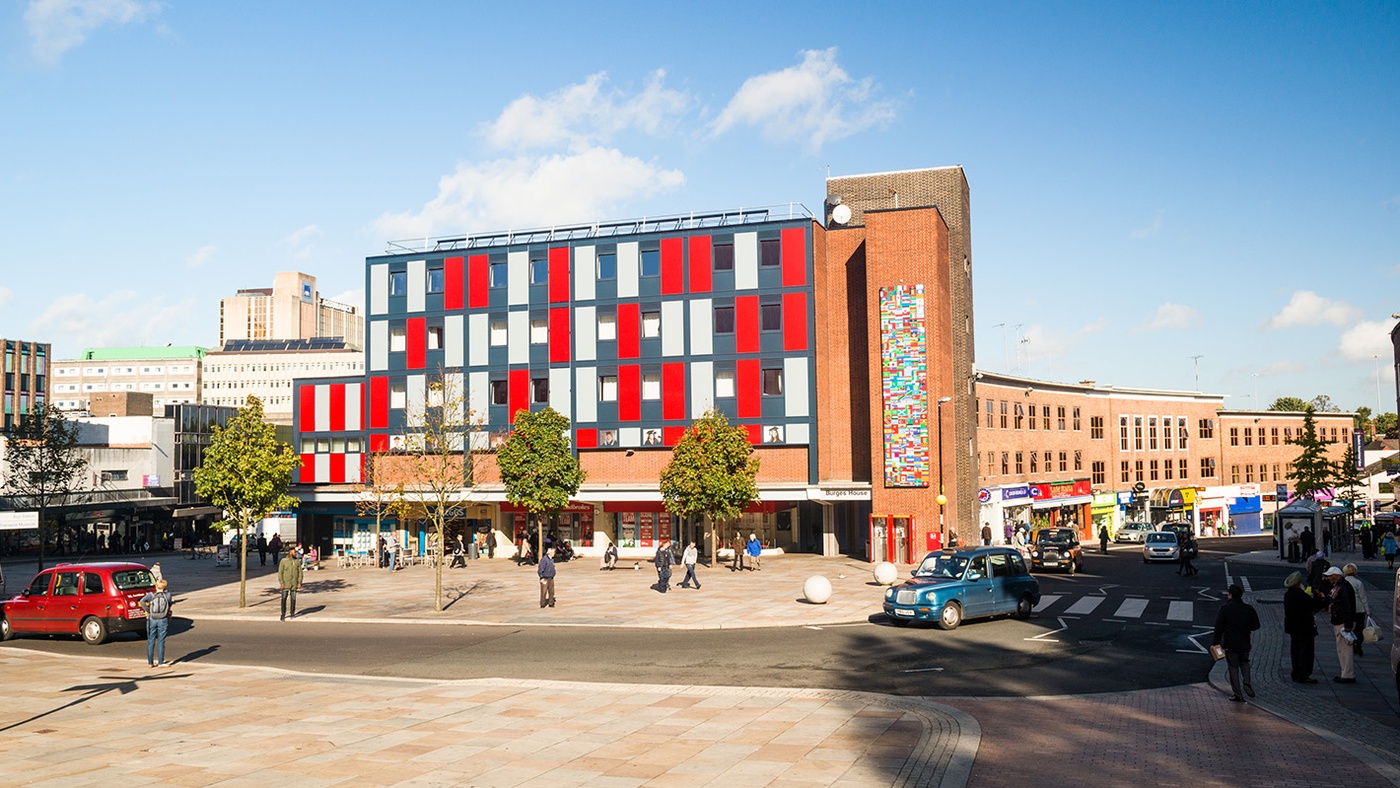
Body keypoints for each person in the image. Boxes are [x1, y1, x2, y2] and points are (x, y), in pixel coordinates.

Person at [1212, 583, 1260, 702]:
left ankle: (1238, 694)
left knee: (1233, 668)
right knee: (1245, 662)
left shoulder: (1225, 609)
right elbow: (1256, 625)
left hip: (1231, 643)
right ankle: (1247, 683)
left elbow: (1219, 628)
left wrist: (1215, 643)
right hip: (1245, 642)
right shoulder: (1249, 609)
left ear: (1231, 595)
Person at [1282, 571, 1319, 683]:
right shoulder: (1302, 596)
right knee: (1305, 651)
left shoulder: (1288, 595)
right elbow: (1315, 607)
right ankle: (1303, 674)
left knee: (1295, 650)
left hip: (1292, 627)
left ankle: (1295, 672)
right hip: (1305, 627)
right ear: (1299, 583)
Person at [1324, 566, 1357, 683]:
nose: (1328, 578)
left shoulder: (1343, 587)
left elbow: (1349, 606)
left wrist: (1348, 624)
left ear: (1337, 575)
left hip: (1342, 621)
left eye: (1330, 576)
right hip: (1341, 620)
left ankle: (1347, 674)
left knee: (1344, 649)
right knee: (1342, 649)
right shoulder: (1341, 586)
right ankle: (1346, 672)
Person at [139, 578, 174, 667]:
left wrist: (148, 610)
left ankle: (150, 662)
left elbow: (142, 601)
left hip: (151, 619)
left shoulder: (150, 595)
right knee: (161, 641)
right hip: (163, 619)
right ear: (165, 587)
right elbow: (170, 604)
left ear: (156, 586)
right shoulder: (168, 595)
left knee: (151, 640)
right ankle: (161, 662)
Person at [1343, 563, 1369, 658]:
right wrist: (1368, 611)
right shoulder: (1358, 583)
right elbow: (1363, 597)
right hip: (1359, 608)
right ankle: (1359, 645)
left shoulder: (1343, 582)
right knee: (1360, 628)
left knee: (1350, 628)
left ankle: (1352, 644)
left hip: (1348, 608)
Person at [278, 547, 303, 621]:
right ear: (290, 553)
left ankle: (292, 613)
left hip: (294, 583)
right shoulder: (284, 561)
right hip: (286, 583)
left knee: (293, 598)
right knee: (284, 598)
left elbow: (300, 573)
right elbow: (280, 573)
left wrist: (299, 582)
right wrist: (281, 582)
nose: (295, 553)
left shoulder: (297, 561)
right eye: (294, 552)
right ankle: (283, 614)